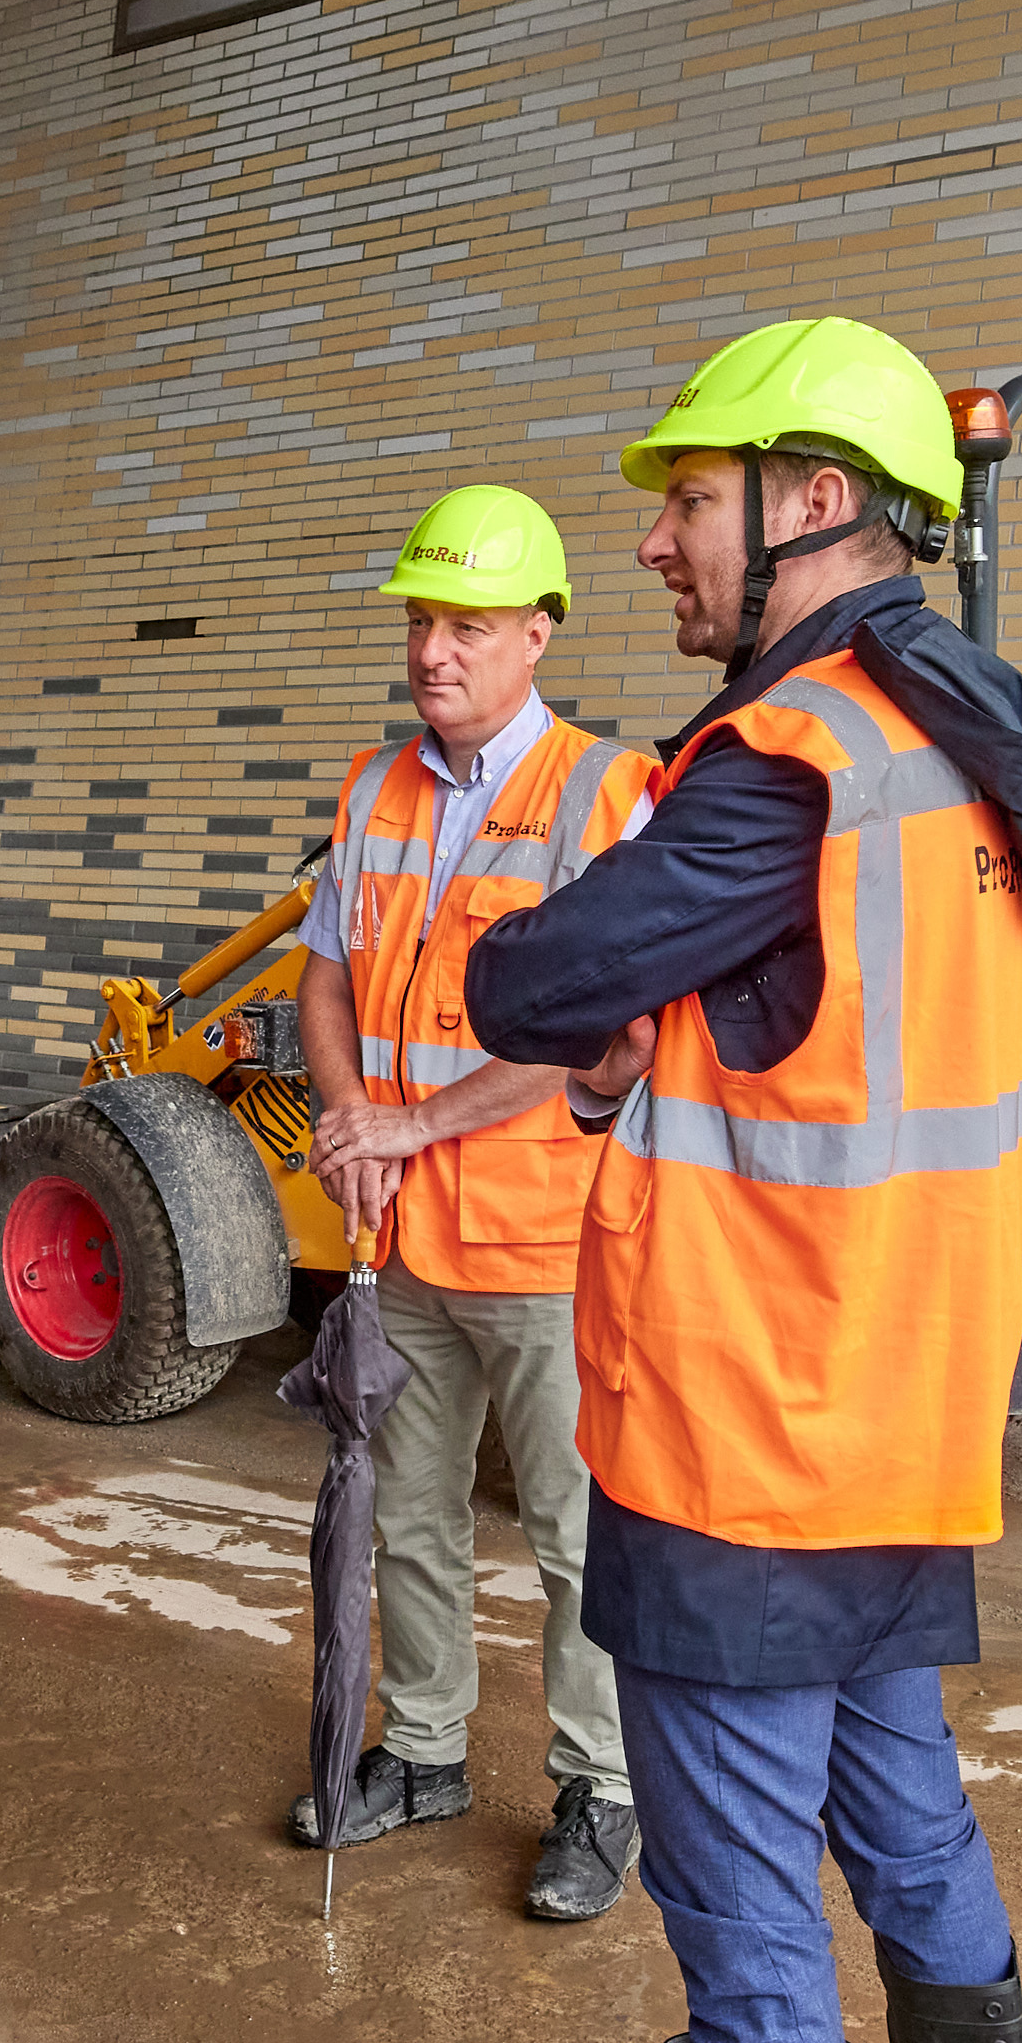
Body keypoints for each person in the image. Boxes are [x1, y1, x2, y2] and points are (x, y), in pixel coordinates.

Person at [461, 314, 1022, 2043]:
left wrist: (609, 995)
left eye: (689, 499)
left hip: (753, 1415)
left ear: (813, 501)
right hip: (906, 1403)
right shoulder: (970, 740)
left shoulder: (792, 755)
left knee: (735, 1867)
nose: (655, 540)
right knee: (902, 1810)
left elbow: (527, 978)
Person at [288, 483, 660, 1921]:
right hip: (400, 1240)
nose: (434, 650)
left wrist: (414, 1118)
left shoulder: (598, 795)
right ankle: (425, 1750)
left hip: (546, 1247)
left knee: (577, 1536)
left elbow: (603, 1025)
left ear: (538, 635)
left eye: (468, 625)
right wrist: (343, 1114)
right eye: (420, 621)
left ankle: (600, 1790)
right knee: (408, 1517)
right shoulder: (374, 791)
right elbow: (325, 974)